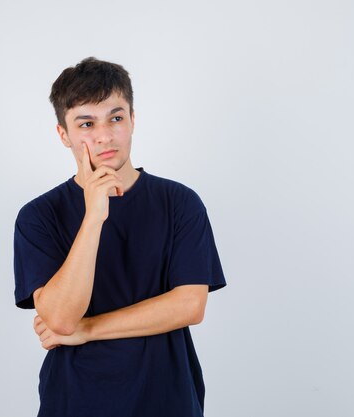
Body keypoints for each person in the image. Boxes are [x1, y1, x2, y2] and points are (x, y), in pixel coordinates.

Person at [13, 56, 227, 417]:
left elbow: (190, 305)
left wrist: (89, 329)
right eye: (86, 123)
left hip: (167, 400)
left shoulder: (179, 203)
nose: (105, 135)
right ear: (63, 135)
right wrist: (94, 215)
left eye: (116, 117)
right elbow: (62, 319)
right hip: (75, 401)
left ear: (132, 120)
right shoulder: (38, 217)